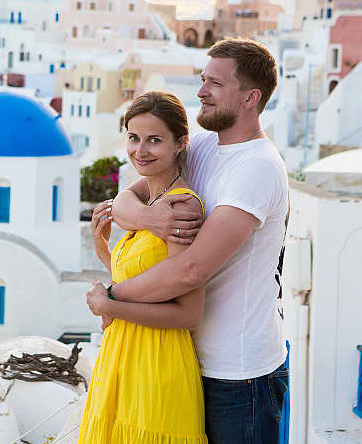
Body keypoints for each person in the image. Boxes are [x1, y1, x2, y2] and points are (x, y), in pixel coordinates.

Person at [86, 37, 290, 443]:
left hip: (239, 374)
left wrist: (111, 296)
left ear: (250, 98)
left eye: (215, 83)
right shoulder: (202, 147)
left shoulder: (257, 168)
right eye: (202, 79)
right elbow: (126, 197)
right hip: (187, 359)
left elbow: (191, 269)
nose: (200, 91)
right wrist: (148, 218)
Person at [79, 91, 207, 444]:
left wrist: (111, 305)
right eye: (134, 138)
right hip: (122, 355)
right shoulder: (147, 202)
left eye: (155, 140)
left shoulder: (181, 208)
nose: (141, 150)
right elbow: (146, 281)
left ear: (180, 143)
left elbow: (187, 314)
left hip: (157, 362)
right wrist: (103, 248)